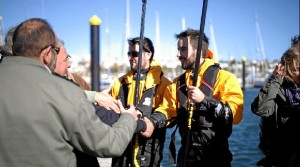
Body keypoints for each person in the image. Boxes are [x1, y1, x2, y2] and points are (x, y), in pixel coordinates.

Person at [0, 18, 138, 167]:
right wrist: (128, 118)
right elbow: (110, 144)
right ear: (47, 53)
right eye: (56, 50)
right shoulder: (64, 91)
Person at [147, 28, 244, 166]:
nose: (178, 54)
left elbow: (235, 114)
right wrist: (152, 122)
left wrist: (205, 100)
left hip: (216, 159)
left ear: (198, 51)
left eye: (183, 49)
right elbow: (167, 110)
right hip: (186, 158)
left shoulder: (225, 78)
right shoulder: (177, 83)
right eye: (178, 50)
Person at [109, 37, 172, 167]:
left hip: (148, 153)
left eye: (135, 54)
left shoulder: (164, 84)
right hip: (121, 152)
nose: (131, 57)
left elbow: (170, 112)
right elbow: (108, 108)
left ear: (149, 54)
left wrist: (152, 122)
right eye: (129, 53)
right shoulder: (119, 83)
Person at [251, 37, 300, 167]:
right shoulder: (278, 87)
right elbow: (260, 109)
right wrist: (275, 78)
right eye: (295, 68)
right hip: (278, 156)